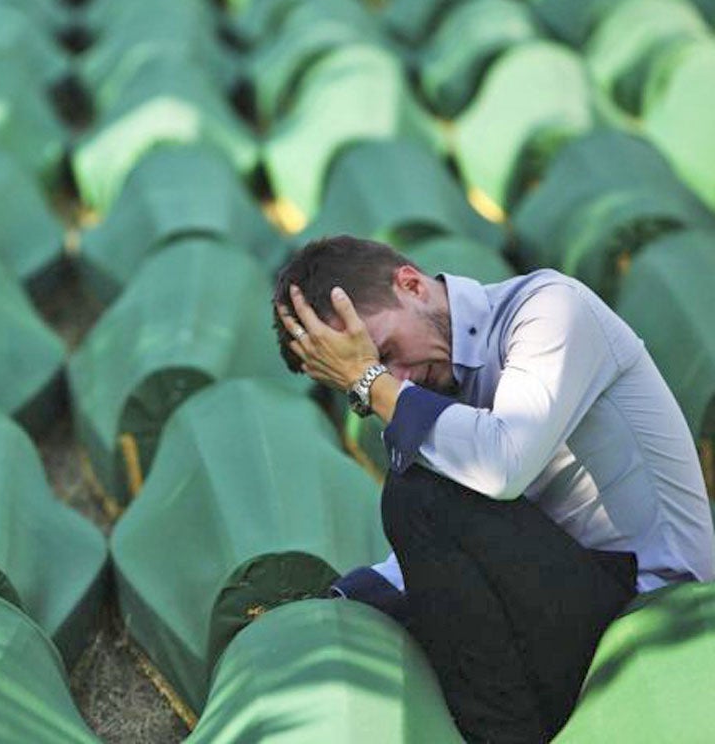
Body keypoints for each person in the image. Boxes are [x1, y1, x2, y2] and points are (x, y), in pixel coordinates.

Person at [272, 235, 715, 743]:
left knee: (414, 493)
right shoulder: (430, 383)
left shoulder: (550, 309)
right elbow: (455, 541)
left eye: (386, 354)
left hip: (652, 602)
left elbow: (503, 465)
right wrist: (336, 604)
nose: (398, 378)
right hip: (569, 591)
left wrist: (370, 383)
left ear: (412, 285)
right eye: (362, 377)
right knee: (376, 598)